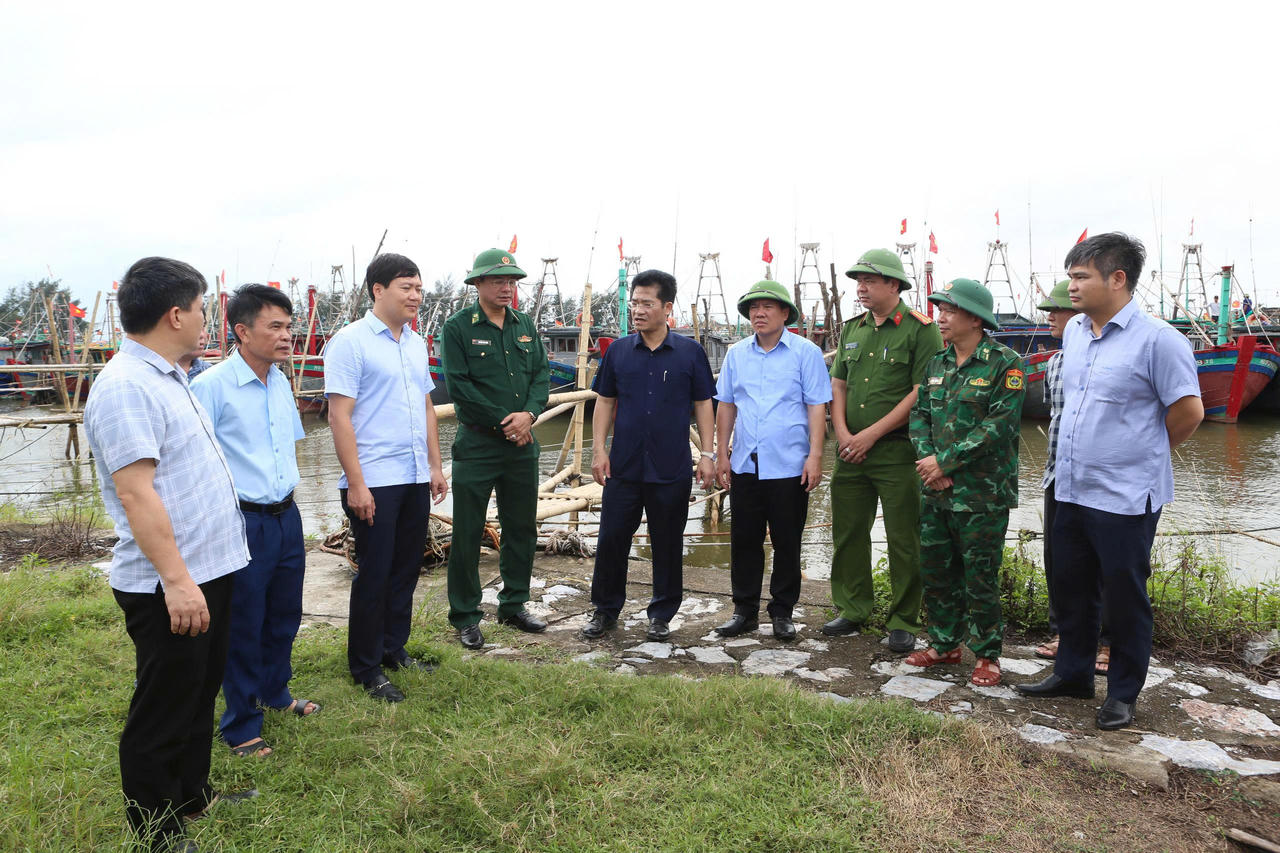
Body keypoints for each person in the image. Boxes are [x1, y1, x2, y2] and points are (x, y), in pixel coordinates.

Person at [84, 256, 253, 853]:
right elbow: (136, 492)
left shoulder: (171, 375)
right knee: (164, 703)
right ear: (175, 314)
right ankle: (156, 829)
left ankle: (192, 794)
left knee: (200, 688)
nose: (208, 318)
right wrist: (178, 583)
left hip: (211, 566)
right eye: (203, 307)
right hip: (171, 580)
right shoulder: (126, 388)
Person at [1016, 233, 1203, 730]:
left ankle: (1123, 692)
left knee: (1124, 598)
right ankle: (1073, 674)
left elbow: (1188, 412)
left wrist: (1139, 457)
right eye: (1071, 275)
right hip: (1071, 485)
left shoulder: (1160, 340)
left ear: (1117, 279)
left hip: (1124, 495)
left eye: (1081, 277)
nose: (1070, 287)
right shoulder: (1076, 331)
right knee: (1071, 589)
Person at [191, 284, 315, 758]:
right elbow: (193, 462)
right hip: (241, 519)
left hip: (286, 514)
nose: (287, 337)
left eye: (289, 327)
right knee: (243, 621)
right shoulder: (211, 388)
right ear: (242, 331)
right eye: (276, 327)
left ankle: (275, 692)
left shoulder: (280, 382)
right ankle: (241, 724)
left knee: (284, 613)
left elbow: (285, 449)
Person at [324, 253, 448, 703]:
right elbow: (340, 417)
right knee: (374, 574)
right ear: (378, 290)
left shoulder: (415, 343)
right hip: (373, 477)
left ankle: (394, 648)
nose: (416, 295)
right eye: (406, 287)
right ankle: (365, 666)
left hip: (413, 474)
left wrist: (434, 466)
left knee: (405, 569)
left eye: (418, 288)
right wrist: (356, 483)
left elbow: (427, 408)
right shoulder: (350, 342)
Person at [582, 270, 716, 641]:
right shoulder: (619, 351)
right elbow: (605, 401)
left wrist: (707, 453)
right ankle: (605, 611)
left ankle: (661, 614)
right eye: (634, 303)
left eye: (646, 303)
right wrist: (598, 450)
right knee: (611, 540)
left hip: (670, 466)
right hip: (624, 466)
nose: (637, 310)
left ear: (666, 307)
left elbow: (704, 403)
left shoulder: (690, 353)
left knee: (668, 541)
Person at [905, 279, 1024, 686]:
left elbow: (999, 426)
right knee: (937, 570)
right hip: (936, 489)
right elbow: (919, 414)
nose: (941, 318)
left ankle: (988, 654)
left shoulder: (1004, 363)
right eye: (940, 310)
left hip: (982, 494)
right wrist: (928, 463)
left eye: (950, 311)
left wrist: (945, 463)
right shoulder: (936, 363)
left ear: (975, 318)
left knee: (980, 576)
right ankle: (945, 643)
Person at [826, 248, 943, 652]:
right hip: (849, 451)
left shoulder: (920, 330)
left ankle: (903, 619)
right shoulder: (852, 328)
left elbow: (920, 391)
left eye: (870, 281)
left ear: (894, 285)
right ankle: (853, 607)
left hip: (895, 452)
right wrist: (842, 433)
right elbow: (838, 384)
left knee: (904, 537)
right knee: (848, 532)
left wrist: (869, 435)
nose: (861, 288)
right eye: (859, 281)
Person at [442, 248, 550, 649]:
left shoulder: (525, 325)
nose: (507, 288)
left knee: (521, 527)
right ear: (478, 284)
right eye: (498, 281)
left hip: (522, 446)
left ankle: (514, 603)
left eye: (511, 282)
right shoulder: (457, 328)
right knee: (469, 533)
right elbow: (460, 387)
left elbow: (540, 374)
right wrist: (508, 423)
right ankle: (466, 615)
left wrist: (530, 415)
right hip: (478, 445)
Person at [713, 280, 832, 641]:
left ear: (785, 313)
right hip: (747, 462)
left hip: (790, 464)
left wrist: (815, 456)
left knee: (787, 540)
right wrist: (721, 453)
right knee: (744, 541)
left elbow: (816, 407)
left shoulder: (805, 353)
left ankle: (782, 612)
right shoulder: (736, 354)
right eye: (753, 308)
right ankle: (744, 611)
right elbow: (727, 405)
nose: (759, 313)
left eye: (767, 307)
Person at [1032, 280, 1111, 672]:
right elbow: (1055, 415)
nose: (1050, 317)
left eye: (1057, 310)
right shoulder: (1054, 363)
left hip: (1102, 481)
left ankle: (1109, 642)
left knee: (1108, 562)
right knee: (1060, 560)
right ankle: (1065, 631)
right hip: (1058, 475)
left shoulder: (1110, 358)